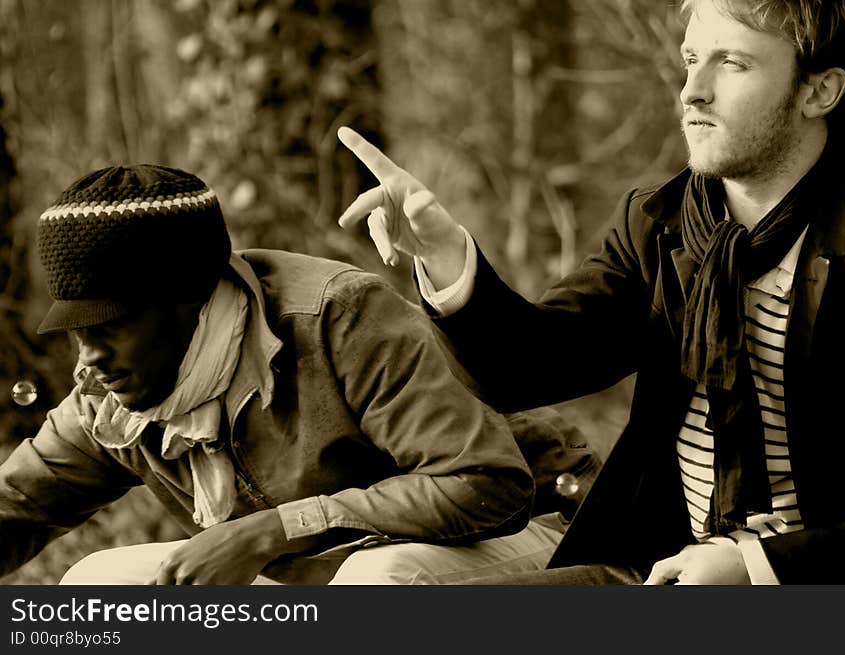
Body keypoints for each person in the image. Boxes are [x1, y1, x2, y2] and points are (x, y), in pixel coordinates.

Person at [337, 0, 845, 584]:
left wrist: (756, 565)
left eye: (734, 64)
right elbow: (526, 369)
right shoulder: (661, 227)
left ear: (819, 92)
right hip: (656, 566)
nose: (692, 91)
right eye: (692, 59)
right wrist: (446, 256)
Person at [0, 163, 586, 585]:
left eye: (109, 327)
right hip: (318, 572)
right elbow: (17, 503)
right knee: (102, 585)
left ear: (190, 299)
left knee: (379, 579)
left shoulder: (342, 317)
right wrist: (277, 538)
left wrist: (272, 531)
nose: (87, 359)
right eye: (77, 332)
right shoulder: (113, 394)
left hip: (535, 535)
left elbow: (488, 484)